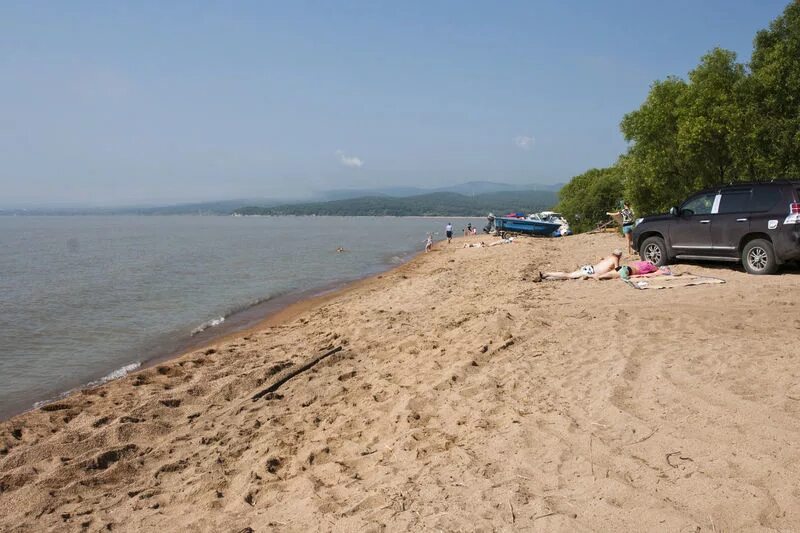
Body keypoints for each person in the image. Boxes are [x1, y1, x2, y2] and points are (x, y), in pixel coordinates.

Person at [540, 249, 623, 280]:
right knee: (568, 275)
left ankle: (546, 277)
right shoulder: (615, 259)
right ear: (619, 256)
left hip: (590, 267)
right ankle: (547, 274)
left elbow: (603, 261)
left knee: (569, 275)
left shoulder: (609, 257)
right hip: (591, 271)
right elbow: (617, 269)